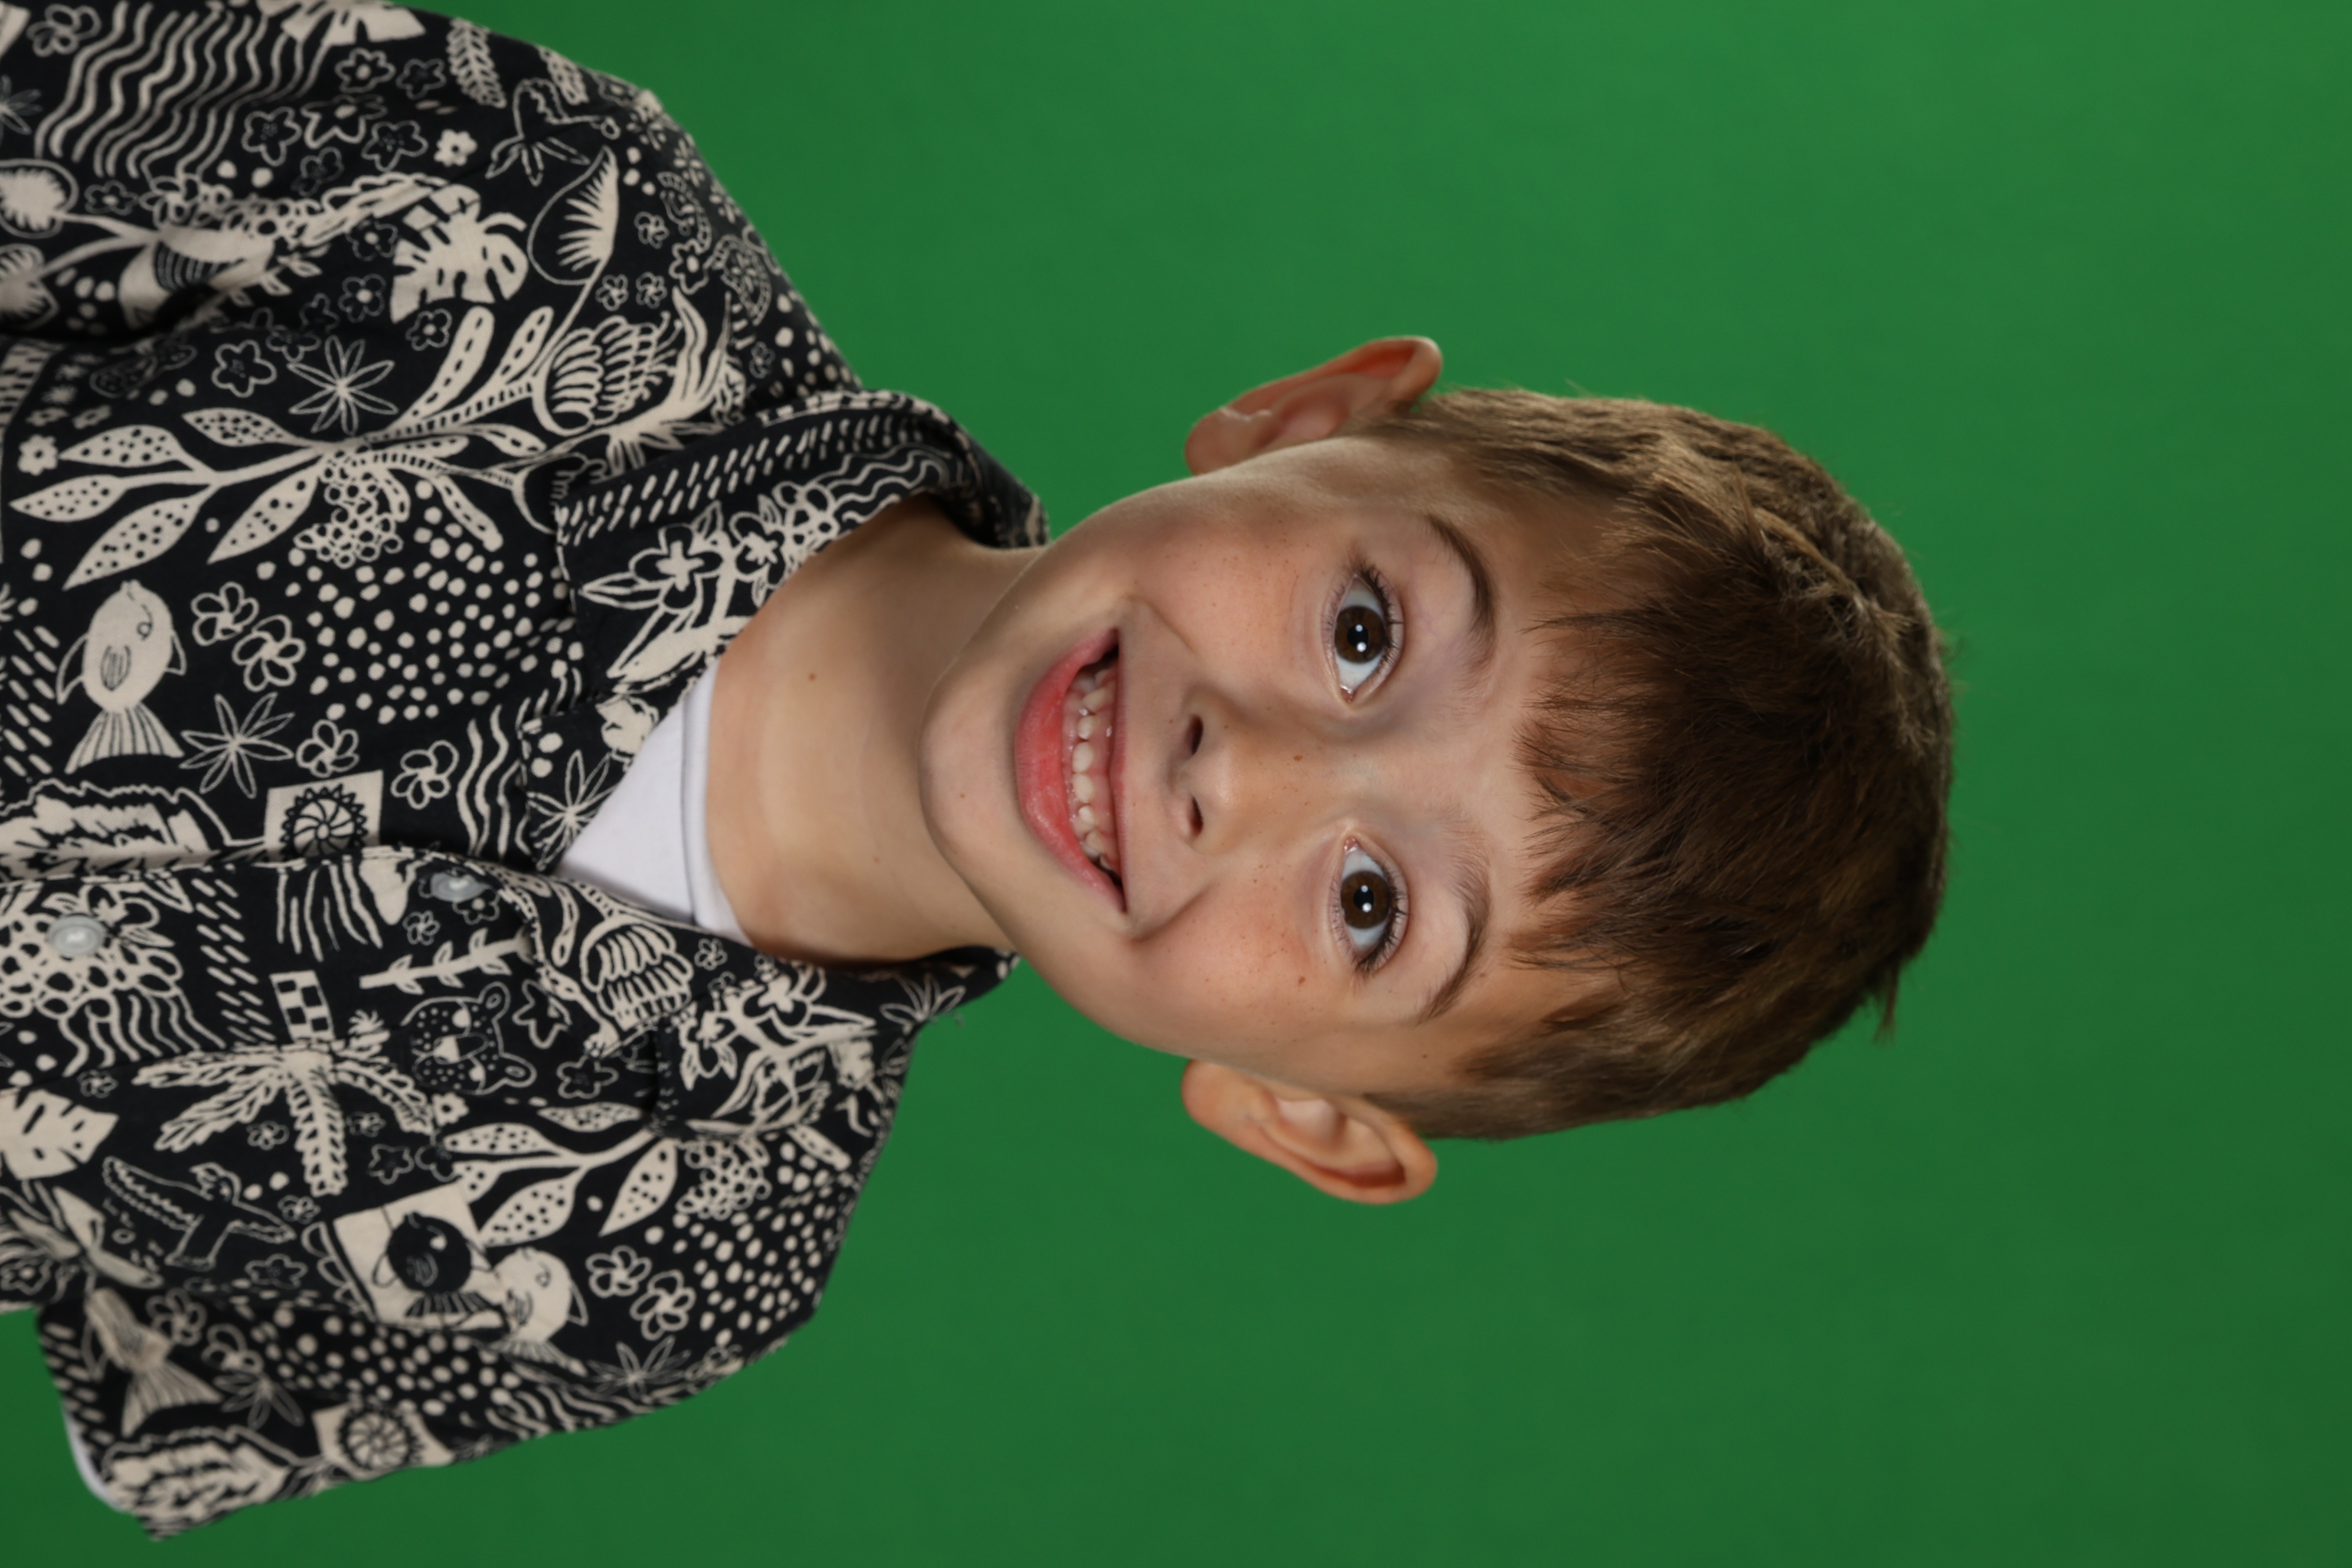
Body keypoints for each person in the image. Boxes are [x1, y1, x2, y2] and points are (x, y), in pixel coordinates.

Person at [0, 0, 1951, 1536]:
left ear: (1304, 1112)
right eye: (1364, 632)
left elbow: (157, 1355)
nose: (1248, 770)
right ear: (1313, 417)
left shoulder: (678, 1264)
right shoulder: (539, 224)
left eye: (1372, 908)